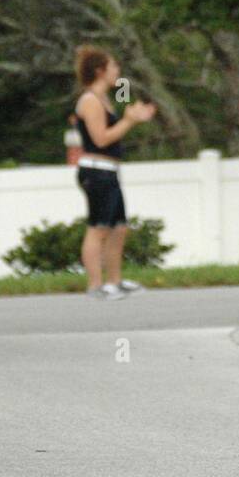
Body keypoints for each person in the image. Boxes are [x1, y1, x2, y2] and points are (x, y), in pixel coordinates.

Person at [73, 46, 157, 301]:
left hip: (108, 171)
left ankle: (115, 281)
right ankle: (96, 286)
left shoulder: (106, 99)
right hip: (96, 172)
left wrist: (132, 119)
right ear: (100, 71)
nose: (118, 72)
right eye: (114, 67)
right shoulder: (90, 101)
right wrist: (129, 121)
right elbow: (100, 139)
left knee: (118, 228)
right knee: (98, 228)